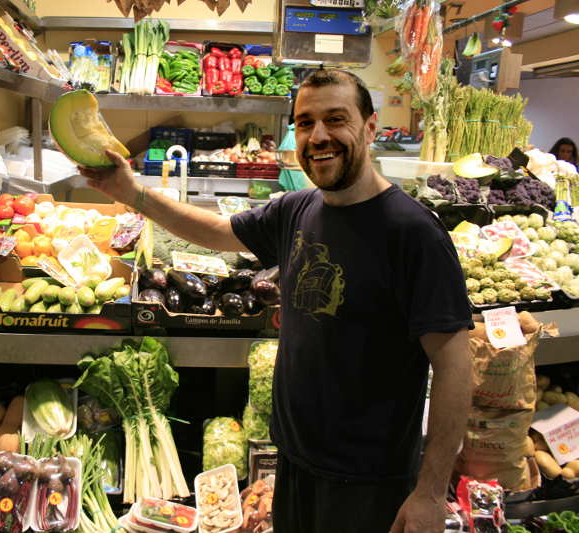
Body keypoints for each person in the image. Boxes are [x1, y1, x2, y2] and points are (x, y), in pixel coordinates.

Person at [79, 69, 472, 533]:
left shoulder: (412, 232)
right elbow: (218, 232)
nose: (318, 136)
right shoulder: (298, 208)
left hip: (368, 480)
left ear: (370, 128)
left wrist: (430, 492)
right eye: (305, 123)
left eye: (336, 119)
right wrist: (132, 193)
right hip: (295, 459)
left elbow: (454, 366)